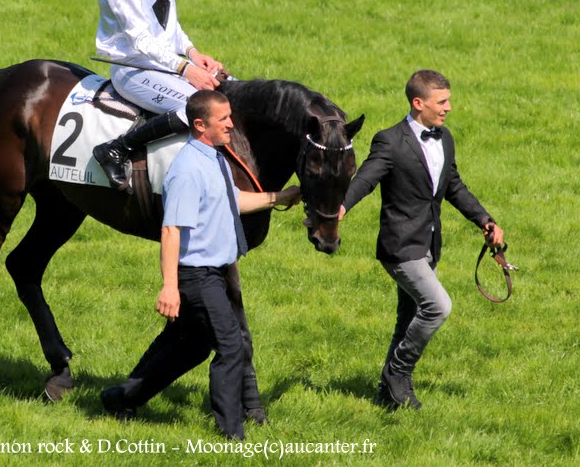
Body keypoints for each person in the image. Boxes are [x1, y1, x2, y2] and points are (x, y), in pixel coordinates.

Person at [100, 90, 301, 439]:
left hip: (214, 273)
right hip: (197, 276)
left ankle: (120, 398)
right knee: (231, 346)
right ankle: (231, 432)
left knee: (190, 347)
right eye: (222, 119)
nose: (230, 124)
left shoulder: (217, 157)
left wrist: (278, 197)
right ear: (200, 124)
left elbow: (232, 199)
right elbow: (170, 230)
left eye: (230, 116)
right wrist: (169, 286)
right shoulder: (187, 170)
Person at [340, 69, 504, 409]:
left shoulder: (444, 138)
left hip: (429, 244)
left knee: (408, 318)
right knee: (438, 306)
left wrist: (484, 220)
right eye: (441, 102)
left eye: (448, 101)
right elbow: (366, 178)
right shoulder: (390, 140)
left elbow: (453, 186)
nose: (448, 108)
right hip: (400, 247)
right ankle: (397, 373)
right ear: (418, 103)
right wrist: (340, 206)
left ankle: (390, 396)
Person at [93, 0, 226, 192]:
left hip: (163, 65)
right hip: (132, 69)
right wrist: (185, 70)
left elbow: (168, 26)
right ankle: (117, 148)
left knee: (231, 90)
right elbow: (140, 38)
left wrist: (193, 54)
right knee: (200, 107)